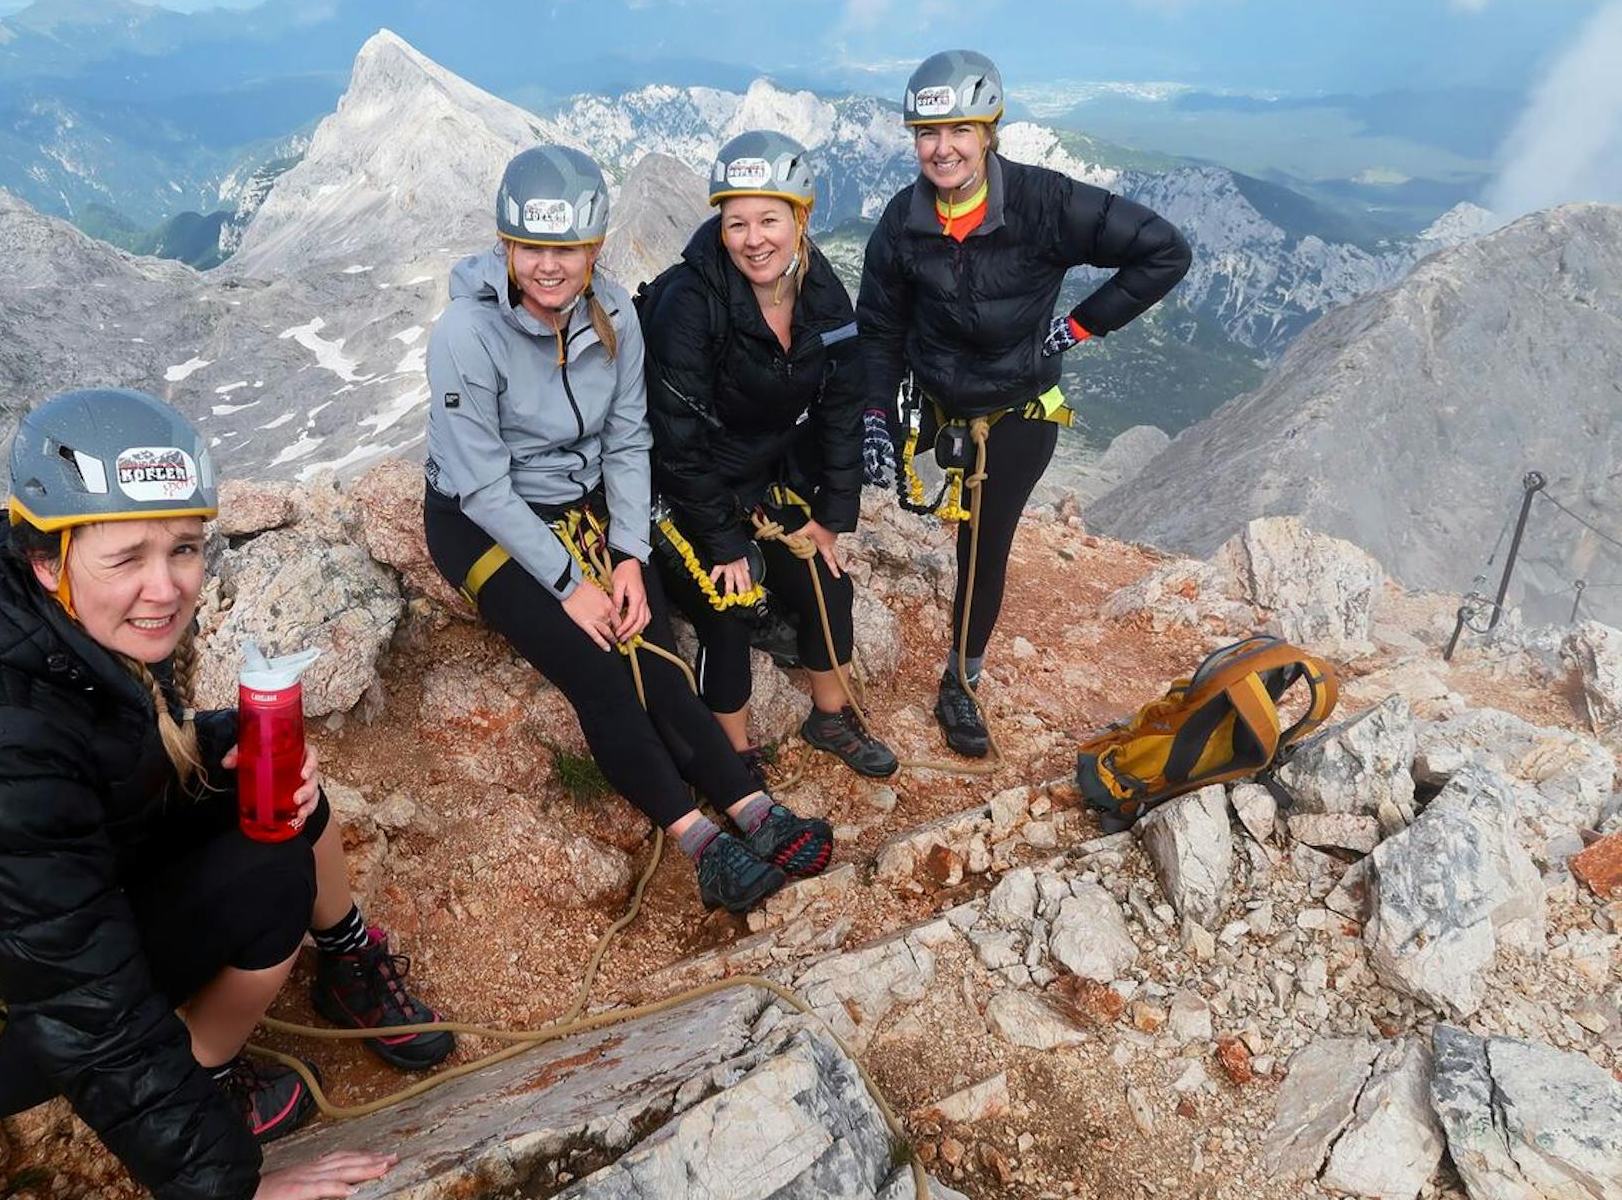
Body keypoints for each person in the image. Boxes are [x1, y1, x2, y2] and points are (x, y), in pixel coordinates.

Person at [0, 388, 450, 1200]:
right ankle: (211, 1074)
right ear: (48, 557)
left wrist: (231, 740)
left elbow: (110, 750)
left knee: (273, 777)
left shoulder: (45, 621)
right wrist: (226, 1186)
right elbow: (82, 994)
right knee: (272, 868)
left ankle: (350, 957)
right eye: (128, 557)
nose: (167, 586)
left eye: (185, 548)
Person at [423, 144, 837, 915]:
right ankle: (699, 841)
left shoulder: (615, 313)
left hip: (587, 511)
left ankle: (749, 806)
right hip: (477, 523)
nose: (551, 267)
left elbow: (627, 439)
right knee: (600, 669)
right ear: (506, 246)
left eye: (569, 249)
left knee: (657, 650)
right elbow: (481, 486)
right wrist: (571, 585)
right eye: (534, 248)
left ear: (595, 247)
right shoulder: (464, 335)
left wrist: (627, 555)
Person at [858, 49, 1191, 757]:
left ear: (990, 131)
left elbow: (1163, 250)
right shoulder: (902, 221)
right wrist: (874, 419)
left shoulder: (1043, 202)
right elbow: (880, 329)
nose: (942, 148)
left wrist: (1077, 326)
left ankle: (962, 681)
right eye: (927, 133)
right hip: (935, 400)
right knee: (824, 452)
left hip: (1016, 409)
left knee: (984, 544)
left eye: (960, 130)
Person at [639, 129, 897, 780]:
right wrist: (726, 543)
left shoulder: (822, 294)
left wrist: (831, 517)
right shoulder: (690, 302)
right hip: (672, 488)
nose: (754, 238)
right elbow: (676, 441)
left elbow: (841, 407)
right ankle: (731, 756)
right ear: (719, 227)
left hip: (754, 479)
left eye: (769, 219)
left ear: (801, 217)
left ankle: (830, 715)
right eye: (736, 222)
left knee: (827, 580)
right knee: (728, 602)